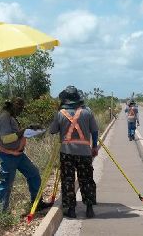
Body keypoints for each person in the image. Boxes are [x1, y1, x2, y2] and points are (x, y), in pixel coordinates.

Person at [49, 86, 99, 219]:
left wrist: (59, 117)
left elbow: (52, 130)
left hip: (67, 153)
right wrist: (94, 147)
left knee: (68, 181)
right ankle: (89, 209)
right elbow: (94, 131)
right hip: (84, 153)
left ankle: (71, 210)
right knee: (87, 179)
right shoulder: (87, 112)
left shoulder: (61, 113)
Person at [0, 97, 53, 212]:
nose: (21, 110)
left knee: (34, 174)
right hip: (8, 157)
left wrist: (28, 129)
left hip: (19, 155)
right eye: (19, 107)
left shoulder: (12, 118)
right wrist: (22, 132)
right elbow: (5, 139)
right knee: (6, 184)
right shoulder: (4, 118)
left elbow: (16, 134)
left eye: (22, 108)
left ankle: (37, 203)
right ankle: (0, 214)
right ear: (11, 106)